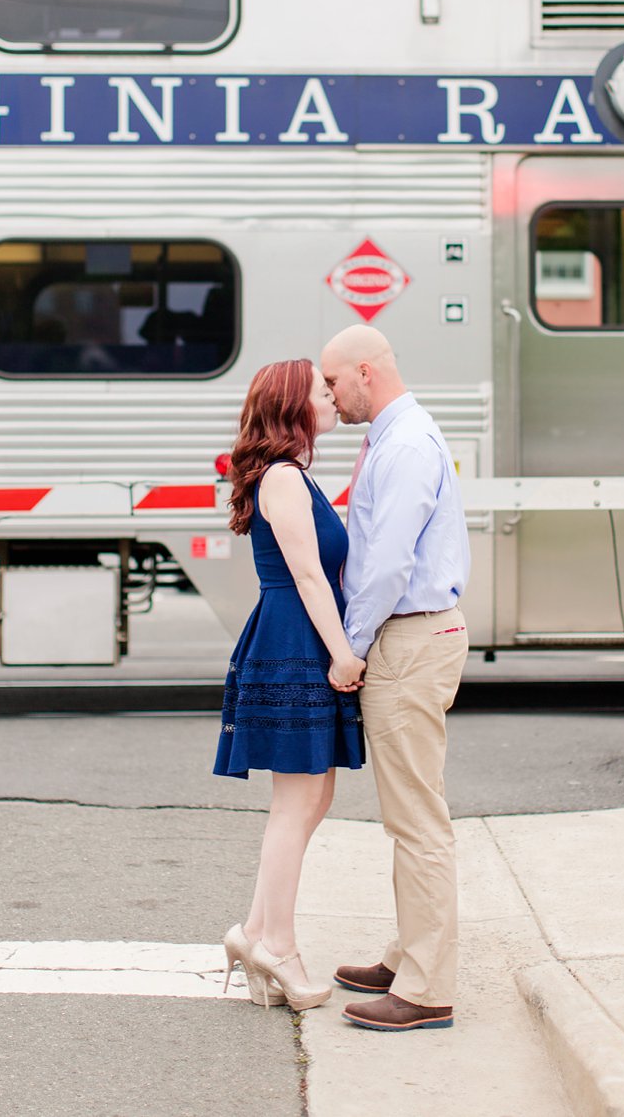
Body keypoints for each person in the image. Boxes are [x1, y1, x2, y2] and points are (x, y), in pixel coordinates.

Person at [320, 323, 470, 1033]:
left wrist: (349, 648)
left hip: (408, 639)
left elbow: (386, 564)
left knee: (416, 819)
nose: (328, 395)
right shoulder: (398, 438)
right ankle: (410, 954)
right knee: (413, 809)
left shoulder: (404, 445)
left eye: (332, 382)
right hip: (414, 638)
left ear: (365, 372)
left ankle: (426, 987)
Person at [214, 358, 366, 1014]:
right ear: (292, 408)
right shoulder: (282, 478)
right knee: (296, 801)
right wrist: (343, 656)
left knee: (310, 797)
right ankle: (277, 943)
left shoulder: (291, 476)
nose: (330, 397)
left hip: (298, 637)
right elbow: (309, 576)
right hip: (295, 641)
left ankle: (255, 932)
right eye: (319, 391)